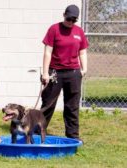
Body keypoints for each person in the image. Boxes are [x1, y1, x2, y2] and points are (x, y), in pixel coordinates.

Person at [40, 4, 88, 141]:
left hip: (73, 73)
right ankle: (37, 134)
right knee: (48, 104)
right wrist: (45, 73)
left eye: (74, 20)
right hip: (55, 72)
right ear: (64, 15)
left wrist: (84, 70)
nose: (71, 22)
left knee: (72, 107)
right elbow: (47, 52)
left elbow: (83, 52)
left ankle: (73, 137)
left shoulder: (79, 32)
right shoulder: (54, 29)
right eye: (69, 19)